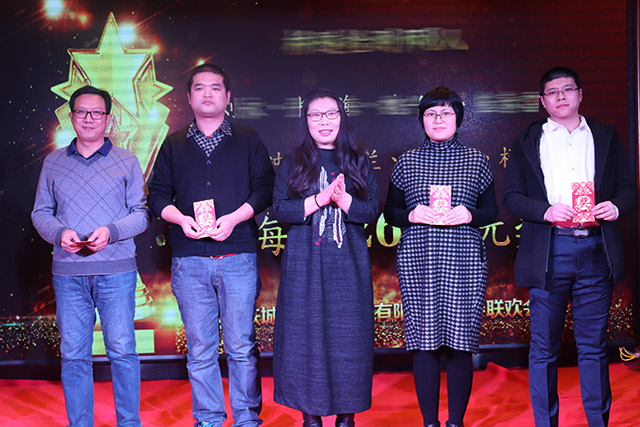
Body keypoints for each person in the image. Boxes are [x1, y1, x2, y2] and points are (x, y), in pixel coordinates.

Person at [503, 66, 636, 427]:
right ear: (542, 101)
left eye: (567, 89)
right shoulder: (527, 140)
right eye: (552, 92)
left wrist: (616, 206)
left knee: (593, 347)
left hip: (596, 249)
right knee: (543, 349)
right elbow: (511, 196)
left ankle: (598, 422)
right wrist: (544, 211)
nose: (560, 96)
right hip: (550, 251)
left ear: (580, 94)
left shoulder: (605, 135)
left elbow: (627, 186)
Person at [147, 63, 274, 427]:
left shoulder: (248, 139)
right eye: (199, 88)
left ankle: (247, 419)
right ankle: (208, 419)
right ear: (189, 97)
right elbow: (156, 194)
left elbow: (265, 188)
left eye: (215, 87)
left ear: (227, 96)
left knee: (241, 347)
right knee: (200, 348)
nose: (207, 94)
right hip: (189, 260)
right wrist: (179, 219)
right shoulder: (173, 144)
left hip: (238, 255)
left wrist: (234, 219)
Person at [31, 85, 150, 427]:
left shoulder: (127, 160)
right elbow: (41, 213)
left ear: (108, 119)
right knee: (73, 356)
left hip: (117, 272)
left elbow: (141, 215)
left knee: (123, 351)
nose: (88, 119)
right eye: (81, 112)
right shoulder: (53, 162)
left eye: (96, 113)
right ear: (71, 117)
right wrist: (59, 233)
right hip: (68, 274)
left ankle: (129, 423)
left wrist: (111, 231)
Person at [384, 87, 497, 427]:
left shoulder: (476, 160)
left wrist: (470, 214)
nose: (438, 119)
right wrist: (411, 214)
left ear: (458, 118)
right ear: (421, 119)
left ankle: (456, 422)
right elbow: (390, 212)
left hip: (463, 260)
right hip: (419, 259)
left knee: (461, 343)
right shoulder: (407, 162)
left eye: (446, 113)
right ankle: (430, 422)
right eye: (431, 113)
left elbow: (492, 211)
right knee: (425, 343)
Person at [272, 88, 379, 427]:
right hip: (303, 266)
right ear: (305, 120)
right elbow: (280, 210)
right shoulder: (292, 162)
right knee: (304, 338)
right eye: (316, 115)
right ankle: (311, 418)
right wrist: (319, 199)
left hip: (349, 267)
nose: (324, 121)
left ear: (341, 118)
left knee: (350, 341)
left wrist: (344, 200)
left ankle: (346, 418)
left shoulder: (358, 160)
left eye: (331, 113)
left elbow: (371, 211)